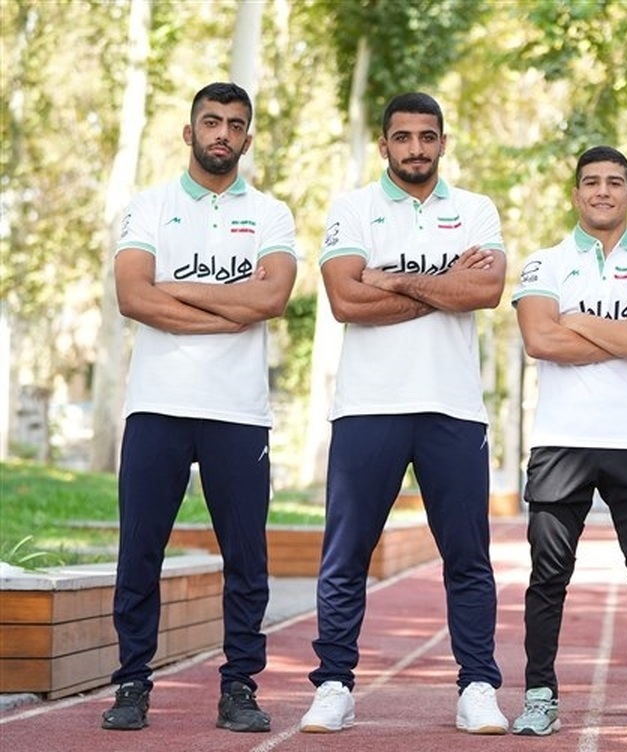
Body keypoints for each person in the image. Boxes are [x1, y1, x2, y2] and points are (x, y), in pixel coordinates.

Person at [298, 92, 508, 735]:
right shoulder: (352, 208)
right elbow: (344, 300)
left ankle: (477, 686)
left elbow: (486, 289)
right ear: (384, 144)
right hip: (369, 407)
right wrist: (444, 286)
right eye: (403, 137)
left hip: (453, 409)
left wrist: (389, 278)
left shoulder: (475, 209)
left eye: (427, 136)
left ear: (443, 142)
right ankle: (334, 684)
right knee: (346, 555)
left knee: (467, 558)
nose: (416, 148)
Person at [103, 82, 298, 733]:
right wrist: (228, 310)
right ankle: (132, 682)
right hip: (157, 406)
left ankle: (239, 685)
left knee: (247, 560)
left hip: (238, 412)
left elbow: (271, 300)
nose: (223, 133)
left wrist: (176, 291)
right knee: (140, 552)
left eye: (235, 125)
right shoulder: (148, 207)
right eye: (211, 122)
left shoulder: (270, 214)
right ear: (189, 133)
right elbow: (133, 296)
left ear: (247, 138)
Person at [509, 146, 627, 740]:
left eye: (614, 183)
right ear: (576, 194)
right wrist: (622, 333)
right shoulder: (544, 264)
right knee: (548, 575)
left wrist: (578, 321)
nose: (603, 191)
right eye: (591, 182)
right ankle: (539, 697)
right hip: (561, 442)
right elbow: (540, 340)